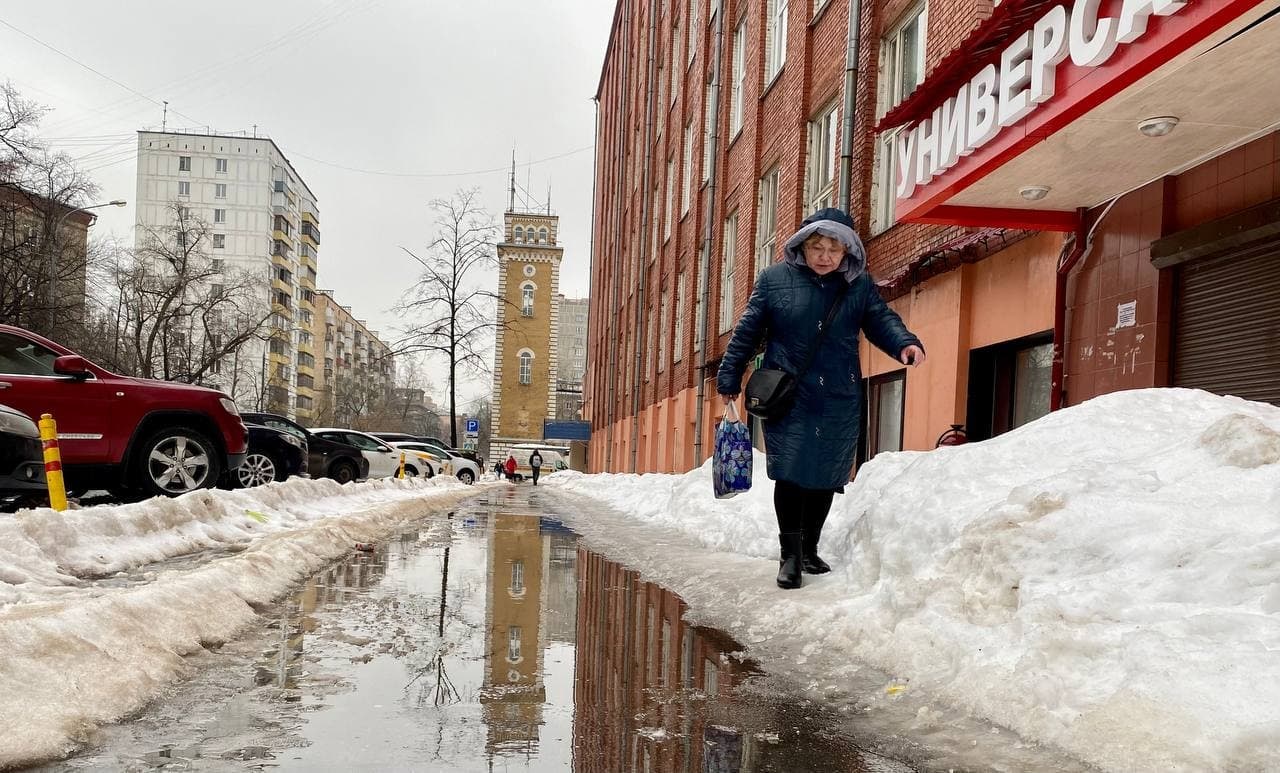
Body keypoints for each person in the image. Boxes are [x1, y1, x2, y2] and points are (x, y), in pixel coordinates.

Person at [717, 207, 925, 590]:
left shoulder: (858, 285)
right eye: (817, 247)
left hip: (838, 395)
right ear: (803, 246)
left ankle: (810, 548)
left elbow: (881, 319)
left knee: (826, 476)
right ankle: (790, 557)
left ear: (847, 251)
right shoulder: (774, 280)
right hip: (789, 394)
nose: (825, 256)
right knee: (792, 473)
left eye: (834, 248)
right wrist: (730, 373)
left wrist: (904, 344)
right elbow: (747, 331)